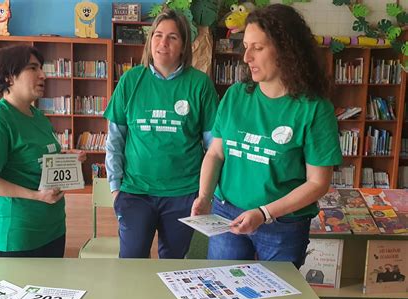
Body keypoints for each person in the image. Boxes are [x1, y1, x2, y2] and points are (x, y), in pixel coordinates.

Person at [191, 4, 342, 268]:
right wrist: (204, 196)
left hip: (282, 224)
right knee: (224, 294)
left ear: (286, 51)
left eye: (257, 48)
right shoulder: (236, 95)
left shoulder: (314, 109)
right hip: (227, 213)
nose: (246, 57)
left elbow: (318, 183)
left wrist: (264, 213)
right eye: (245, 46)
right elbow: (216, 152)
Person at [104, 9, 219, 259]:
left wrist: (205, 193)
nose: (163, 43)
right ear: (149, 41)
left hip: (183, 193)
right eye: (157, 35)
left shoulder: (200, 84)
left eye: (172, 37)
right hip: (135, 192)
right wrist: (116, 189)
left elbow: (214, 147)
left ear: (183, 45)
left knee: (173, 264)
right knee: (132, 262)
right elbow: (114, 140)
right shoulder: (130, 80)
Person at [0, 45, 85, 257]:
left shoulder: (38, 117)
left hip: (52, 228)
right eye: (33, 68)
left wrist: (66, 158)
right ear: (8, 77)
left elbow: (38, 159)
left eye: (41, 68)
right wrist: (36, 196)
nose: (43, 75)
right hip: (16, 235)